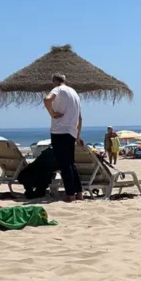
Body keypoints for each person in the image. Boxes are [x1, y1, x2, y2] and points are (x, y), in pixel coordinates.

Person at [44, 73, 83, 202]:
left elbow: (47, 99)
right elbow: (80, 118)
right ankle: (79, 193)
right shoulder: (74, 93)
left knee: (64, 164)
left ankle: (70, 194)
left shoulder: (58, 89)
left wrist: (52, 113)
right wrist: (78, 136)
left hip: (59, 131)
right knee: (71, 163)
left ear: (54, 81)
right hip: (71, 131)